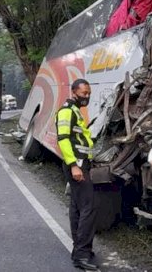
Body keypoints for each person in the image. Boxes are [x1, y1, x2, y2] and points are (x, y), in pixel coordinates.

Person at [56, 79, 97, 271]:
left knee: (77, 207)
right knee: (89, 208)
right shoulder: (66, 111)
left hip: (81, 163)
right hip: (77, 164)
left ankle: (79, 250)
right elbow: (63, 139)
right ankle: (82, 254)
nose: (86, 97)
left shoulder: (75, 111)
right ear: (74, 92)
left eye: (88, 93)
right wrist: (74, 165)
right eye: (83, 93)